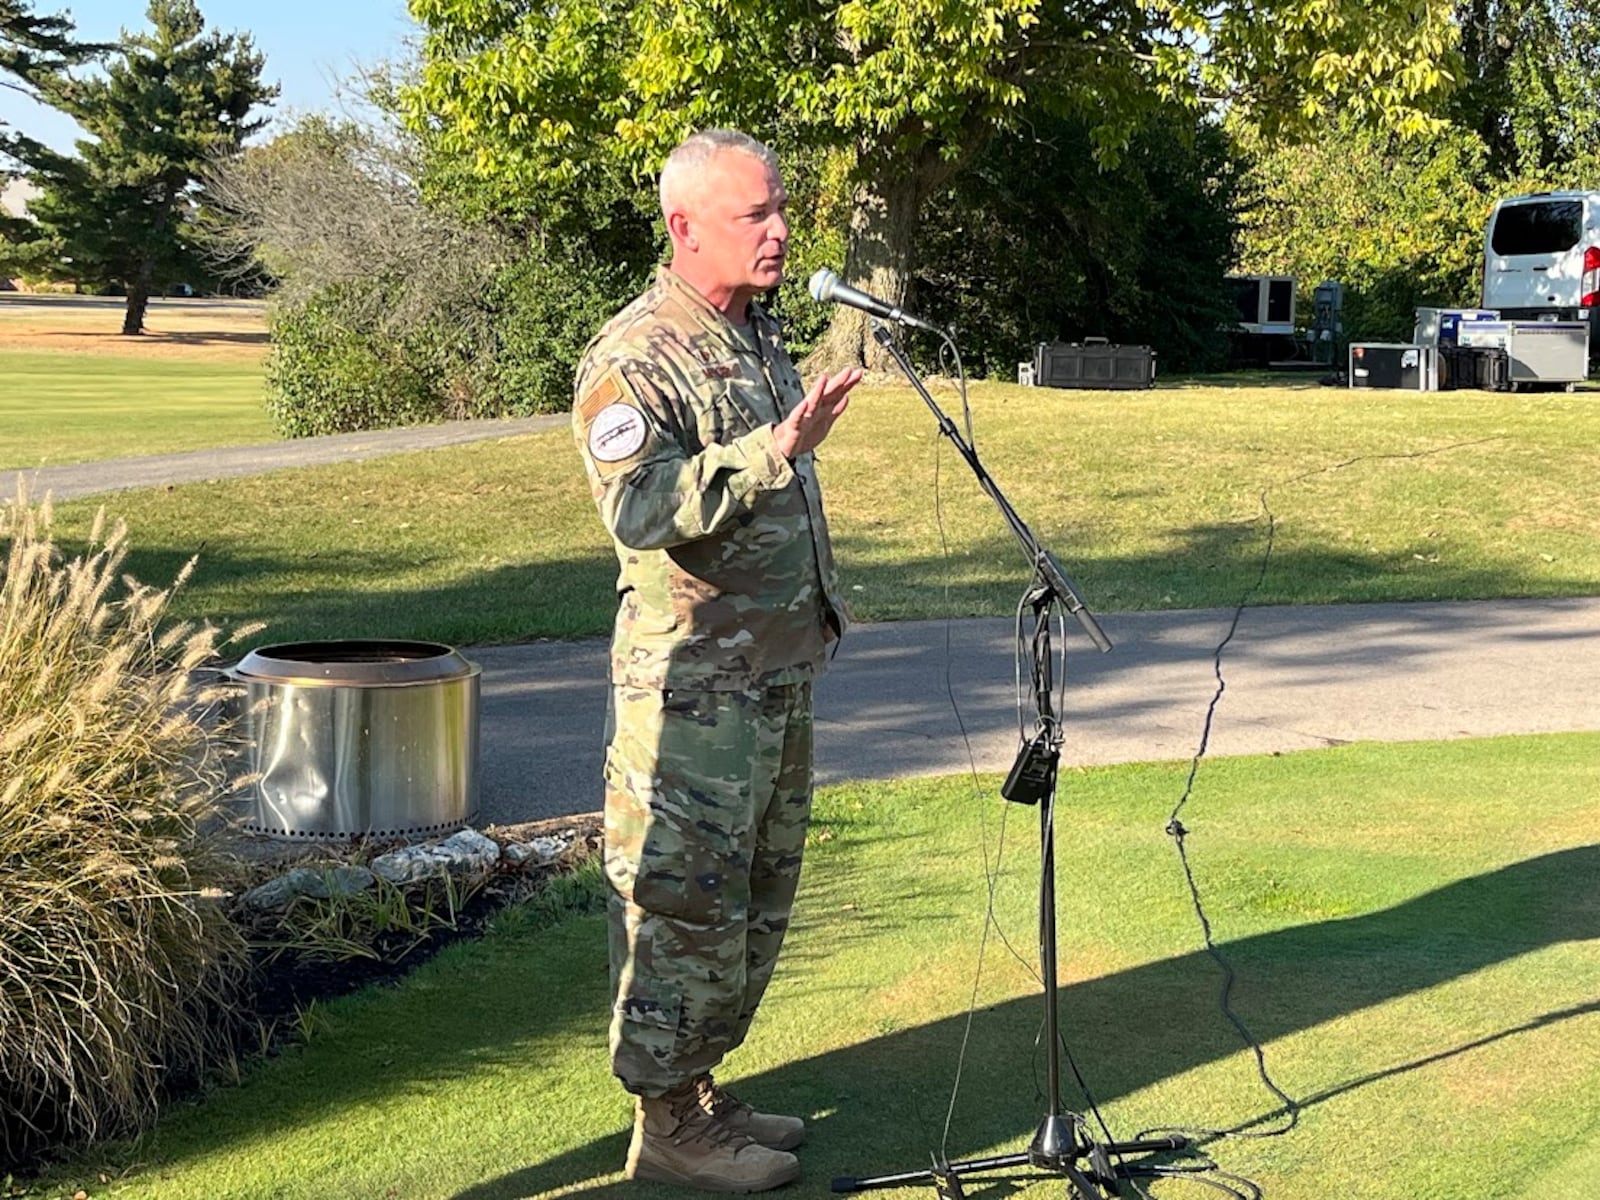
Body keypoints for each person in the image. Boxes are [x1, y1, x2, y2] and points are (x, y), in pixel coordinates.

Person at [571, 128, 863, 1192]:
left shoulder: (749, 336)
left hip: (770, 673)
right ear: (684, 227)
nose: (781, 230)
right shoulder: (635, 357)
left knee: (752, 897)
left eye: (780, 208)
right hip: (693, 691)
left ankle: (699, 1091)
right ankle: (667, 1128)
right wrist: (772, 450)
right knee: (683, 904)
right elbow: (643, 506)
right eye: (756, 216)